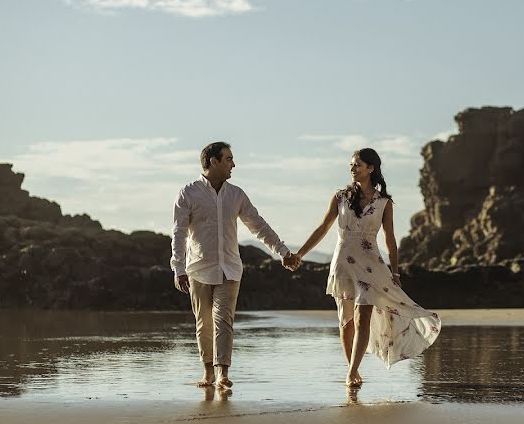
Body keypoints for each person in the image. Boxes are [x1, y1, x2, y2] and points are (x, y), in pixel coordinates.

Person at [285, 148, 441, 387]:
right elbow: (322, 229)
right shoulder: (340, 197)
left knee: (362, 318)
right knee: (346, 322)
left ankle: (351, 372)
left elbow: (390, 239)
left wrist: (396, 271)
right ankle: (352, 368)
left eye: (358, 164)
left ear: (371, 168)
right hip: (343, 265)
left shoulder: (383, 203)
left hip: (370, 265)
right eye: (351, 164)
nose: (353, 168)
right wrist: (300, 254)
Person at [171, 141, 296, 389]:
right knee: (203, 322)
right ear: (213, 161)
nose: (233, 164)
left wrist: (282, 251)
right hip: (198, 268)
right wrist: (179, 268)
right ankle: (208, 372)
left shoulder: (236, 194)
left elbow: (258, 226)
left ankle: (222, 373)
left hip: (230, 267)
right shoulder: (188, 193)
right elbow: (179, 233)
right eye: (228, 159)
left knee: (223, 320)